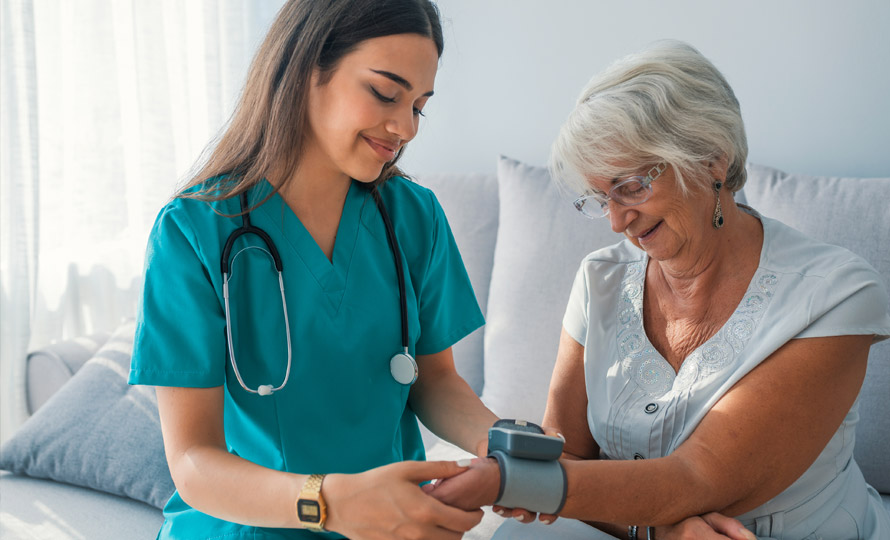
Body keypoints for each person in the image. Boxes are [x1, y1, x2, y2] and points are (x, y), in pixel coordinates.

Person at [427, 40, 890, 539]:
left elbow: (699, 476)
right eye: (601, 198)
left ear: (712, 159)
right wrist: (658, 533)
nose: (616, 221)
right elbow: (572, 457)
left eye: (630, 187)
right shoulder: (600, 278)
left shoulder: (835, 294)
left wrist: (508, 481)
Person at [128, 1, 501, 538]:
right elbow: (192, 460)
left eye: (420, 106)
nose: (406, 127)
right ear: (306, 68)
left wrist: (506, 441)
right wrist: (331, 503)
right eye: (384, 93)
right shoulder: (192, 230)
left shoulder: (414, 217)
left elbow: (435, 381)